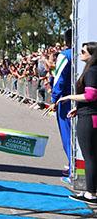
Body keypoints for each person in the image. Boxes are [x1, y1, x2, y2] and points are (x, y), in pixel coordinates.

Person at [56, 42, 97, 204]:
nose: (79, 54)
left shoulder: (92, 72)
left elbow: (91, 96)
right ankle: (91, 191)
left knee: (90, 157)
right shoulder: (92, 70)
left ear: (91, 55)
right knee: (92, 156)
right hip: (87, 114)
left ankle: (91, 193)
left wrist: (68, 97)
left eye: (82, 51)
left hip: (89, 119)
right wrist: (78, 109)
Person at [48, 29, 72, 179]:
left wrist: (54, 99)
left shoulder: (65, 55)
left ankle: (73, 170)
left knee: (68, 136)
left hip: (66, 100)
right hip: (83, 99)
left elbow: (59, 79)